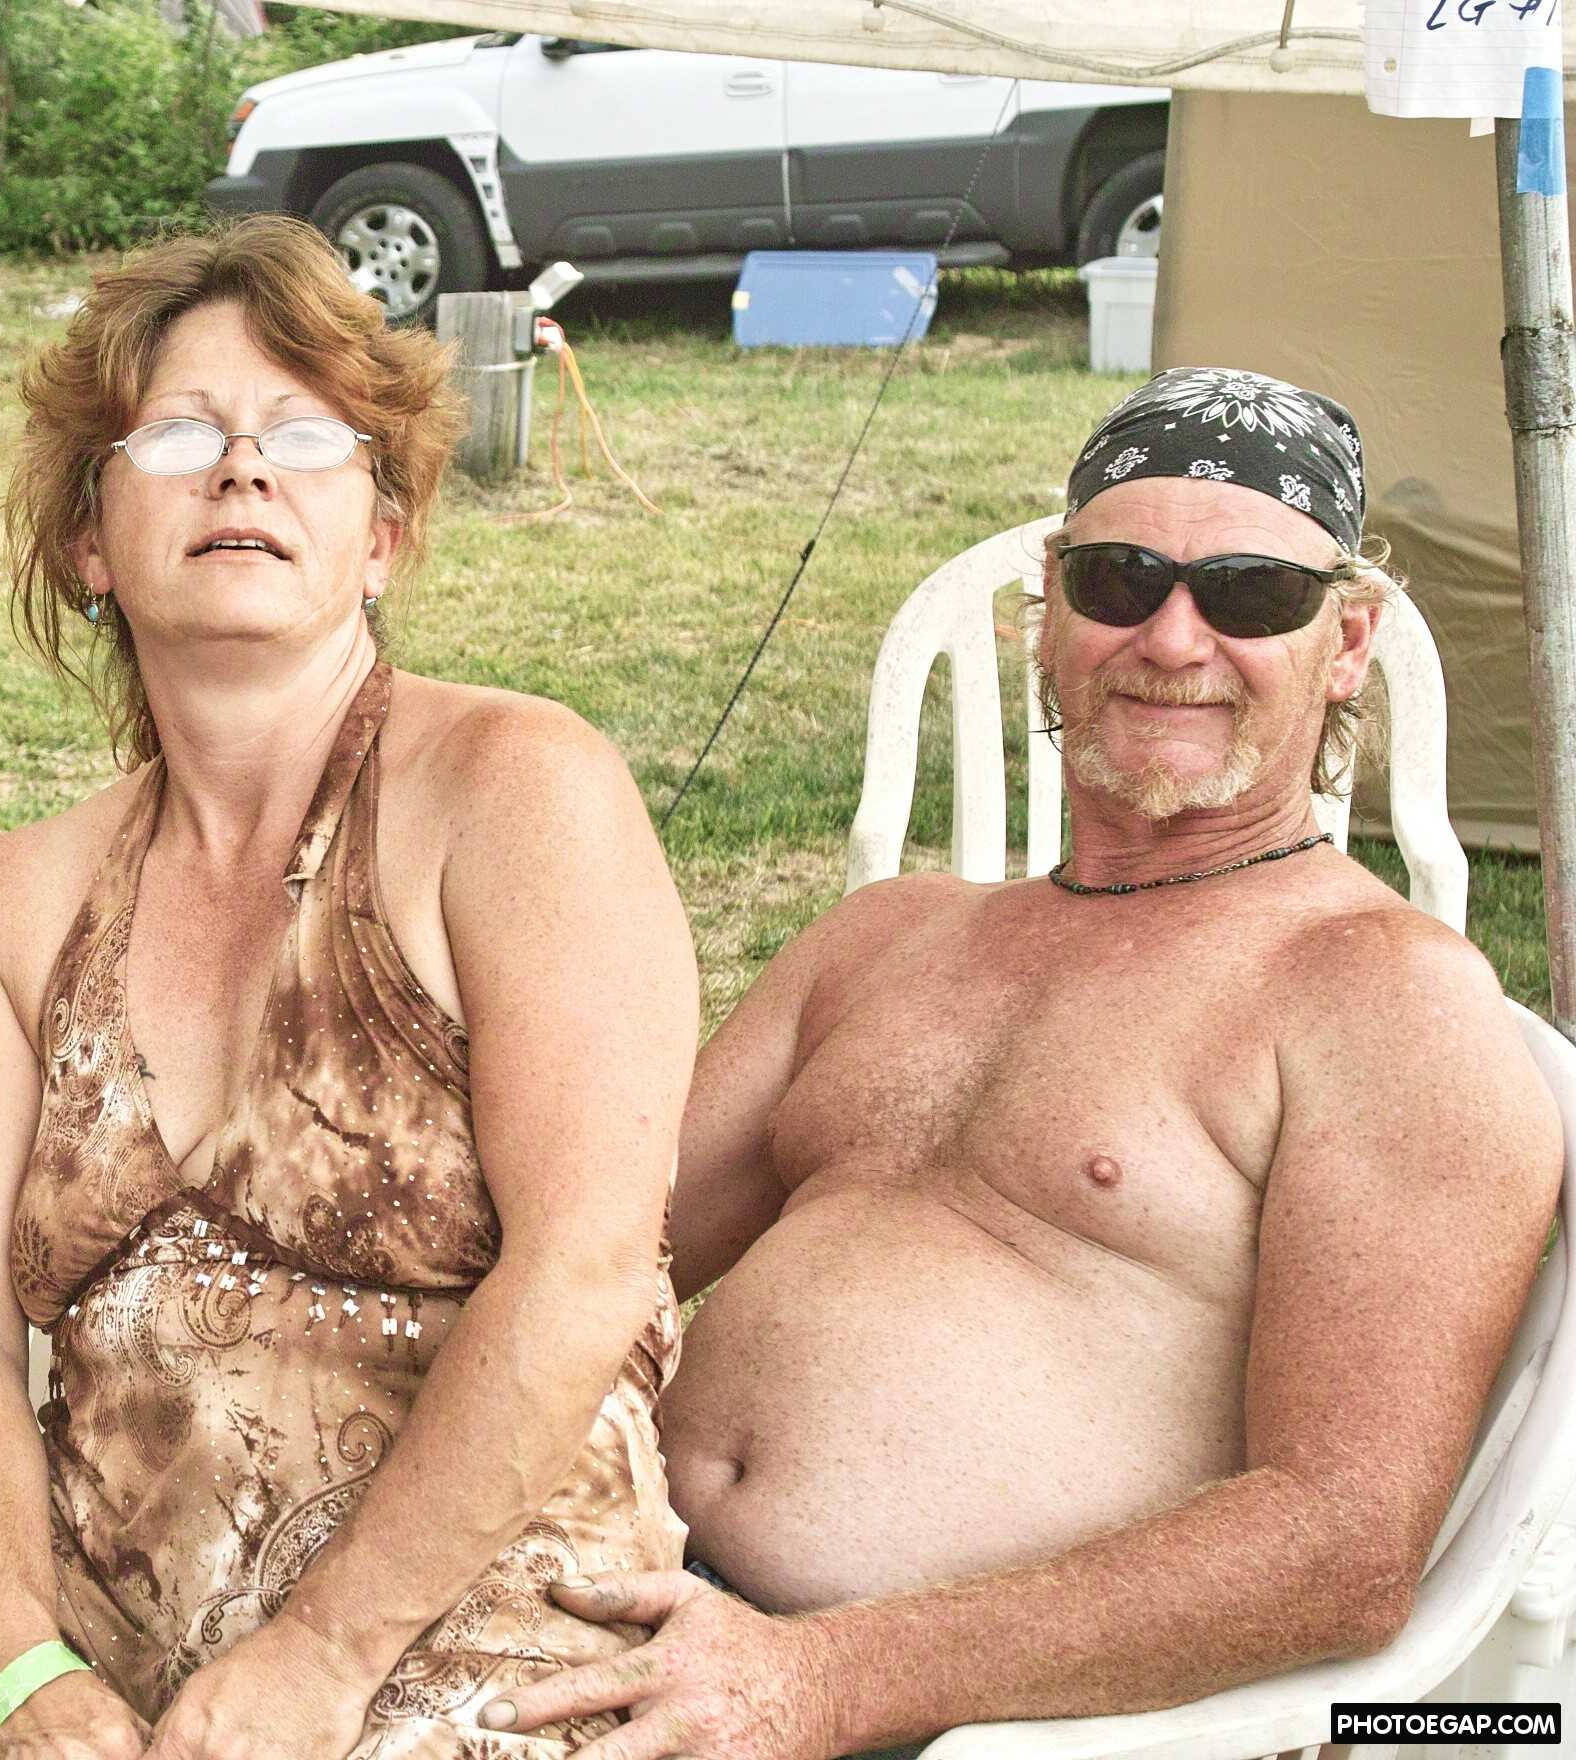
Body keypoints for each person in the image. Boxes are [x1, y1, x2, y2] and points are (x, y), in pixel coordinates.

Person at [0, 215, 702, 1760]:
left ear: (381, 535)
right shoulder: (16, 906)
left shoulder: (513, 792)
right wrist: (10, 1663)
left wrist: (325, 1650)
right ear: (90, 543)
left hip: (463, 1607)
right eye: (177, 433)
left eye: (304, 434)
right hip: (87, 1598)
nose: (241, 469)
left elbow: (586, 1273)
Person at [479, 367, 1565, 1759]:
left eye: (1252, 597)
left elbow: (1340, 1546)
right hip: (605, 1602)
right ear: (1047, 609)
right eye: (1120, 580)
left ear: (1345, 642)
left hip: (938, 1718)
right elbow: (580, 1242)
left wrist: (824, 1679)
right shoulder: (886, 938)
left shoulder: (1382, 1003)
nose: (1173, 638)